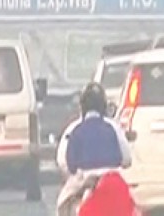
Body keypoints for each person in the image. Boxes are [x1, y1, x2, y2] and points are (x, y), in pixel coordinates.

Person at [56, 82, 133, 216]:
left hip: (83, 180)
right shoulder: (114, 127)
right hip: (112, 179)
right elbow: (127, 159)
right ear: (104, 106)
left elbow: (63, 162)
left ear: (82, 107)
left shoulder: (72, 129)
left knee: (62, 206)